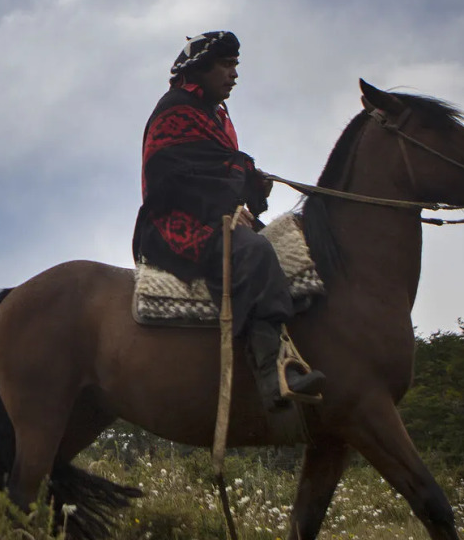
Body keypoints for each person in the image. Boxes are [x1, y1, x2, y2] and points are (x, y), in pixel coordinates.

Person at [132, 31, 327, 408]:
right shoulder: (176, 109)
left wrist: (250, 183)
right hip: (176, 223)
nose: (233, 74)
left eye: (235, 65)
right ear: (199, 69)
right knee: (253, 251)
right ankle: (273, 375)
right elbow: (176, 172)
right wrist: (241, 170)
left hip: (217, 216)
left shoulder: (213, 117)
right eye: (224, 65)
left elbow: (218, 170)